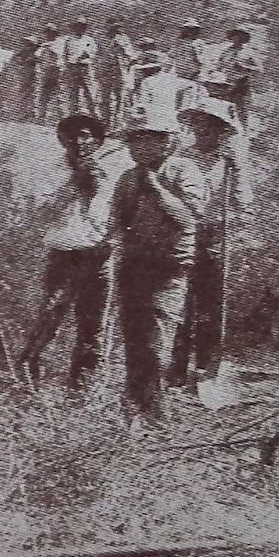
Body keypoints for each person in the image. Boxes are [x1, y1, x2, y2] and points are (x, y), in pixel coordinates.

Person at [108, 105, 207, 422]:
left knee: (156, 341)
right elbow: (118, 221)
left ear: (166, 142)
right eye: (133, 141)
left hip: (168, 267)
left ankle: (154, 413)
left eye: (146, 140)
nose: (137, 147)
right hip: (133, 266)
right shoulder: (126, 179)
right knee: (134, 341)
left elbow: (188, 218)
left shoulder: (184, 171)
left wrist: (157, 190)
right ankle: (135, 409)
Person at [19, 113, 116, 390]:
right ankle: (27, 375)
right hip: (64, 255)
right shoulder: (51, 170)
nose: (79, 142)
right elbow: (40, 213)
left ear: (97, 142)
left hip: (98, 256)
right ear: (62, 140)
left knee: (92, 326)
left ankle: (81, 388)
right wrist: (74, 185)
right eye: (72, 136)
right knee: (50, 315)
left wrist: (111, 240)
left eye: (86, 136)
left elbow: (120, 215)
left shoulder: (110, 174)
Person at [169, 97, 253, 387]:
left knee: (211, 301)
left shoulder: (229, 163)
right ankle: (176, 367)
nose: (204, 132)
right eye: (199, 126)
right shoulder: (179, 159)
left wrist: (238, 178)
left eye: (211, 127)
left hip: (215, 234)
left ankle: (207, 366)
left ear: (221, 131)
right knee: (180, 300)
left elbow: (243, 200)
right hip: (181, 233)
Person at [213, 26, 265, 127]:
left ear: (243, 38)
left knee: (241, 108)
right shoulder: (226, 51)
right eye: (234, 35)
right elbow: (219, 66)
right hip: (227, 83)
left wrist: (244, 67)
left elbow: (259, 69)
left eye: (239, 36)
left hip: (242, 84)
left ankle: (244, 129)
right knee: (225, 107)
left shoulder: (249, 52)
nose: (236, 38)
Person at [128, 49, 202, 119]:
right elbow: (192, 85)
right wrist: (186, 106)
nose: (142, 72)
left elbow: (145, 101)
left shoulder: (147, 81)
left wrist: (138, 108)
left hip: (155, 117)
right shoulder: (172, 78)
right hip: (173, 116)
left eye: (143, 70)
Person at [62, 19, 102, 118]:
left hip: (85, 68)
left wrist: (86, 55)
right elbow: (66, 55)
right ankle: (73, 115)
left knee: (90, 92)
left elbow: (93, 53)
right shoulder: (69, 40)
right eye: (77, 27)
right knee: (73, 92)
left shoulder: (89, 40)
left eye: (81, 27)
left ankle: (94, 115)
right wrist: (69, 66)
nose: (79, 29)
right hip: (73, 68)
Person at [101, 19, 138, 125]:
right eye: (112, 28)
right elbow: (98, 55)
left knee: (120, 97)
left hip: (120, 70)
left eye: (117, 28)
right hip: (106, 71)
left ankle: (118, 122)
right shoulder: (103, 39)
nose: (115, 31)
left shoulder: (124, 39)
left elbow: (131, 55)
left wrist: (123, 49)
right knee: (106, 98)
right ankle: (107, 121)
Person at [33, 25, 68, 123]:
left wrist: (46, 47)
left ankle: (63, 117)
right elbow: (37, 57)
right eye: (47, 32)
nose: (48, 34)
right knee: (44, 94)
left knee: (59, 94)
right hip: (47, 71)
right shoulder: (45, 45)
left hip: (57, 70)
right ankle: (41, 117)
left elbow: (57, 53)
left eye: (50, 32)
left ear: (54, 33)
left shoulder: (60, 42)